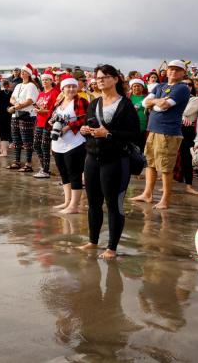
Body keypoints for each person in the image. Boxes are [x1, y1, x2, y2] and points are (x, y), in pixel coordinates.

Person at [78, 65, 140, 259]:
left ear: (115, 79)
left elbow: (134, 134)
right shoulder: (94, 103)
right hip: (92, 157)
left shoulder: (125, 104)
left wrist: (110, 134)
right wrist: (85, 130)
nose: (100, 80)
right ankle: (92, 241)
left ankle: (112, 247)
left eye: (105, 77)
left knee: (114, 204)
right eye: (98, 78)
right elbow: (90, 126)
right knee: (93, 203)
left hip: (116, 160)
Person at [133, 60, 191, 209]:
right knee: (150, 163)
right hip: (153, 129)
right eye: (171, 69)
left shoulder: (182, 88)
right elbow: (145, 103)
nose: (173, 72)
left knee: (165, 167)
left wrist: (155, 102)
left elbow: (164, 106)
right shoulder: (160, 86)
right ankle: (147, 194)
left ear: (183, 72)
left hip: (168, 132)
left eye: (178, 70)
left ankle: (165, 199)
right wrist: (156, 101)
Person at [49, 77, 88, 213]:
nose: (71, 89)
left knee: (75, 174)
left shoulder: (80, 101)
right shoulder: (58, 101)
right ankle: (67, 201)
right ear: (62, 88)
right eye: (68, 86)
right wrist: (52, 122)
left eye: (73, 86)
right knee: (64, 174)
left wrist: (69, 127)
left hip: (75, 143)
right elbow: (51, 116)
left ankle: (74, 206)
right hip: (58, 144)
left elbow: (85, 118)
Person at [7, 65, 40, 171]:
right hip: (16, 114)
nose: (22, 73)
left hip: (26, 114)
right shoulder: (18, 85)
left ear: (29, 74)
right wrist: (15, 104)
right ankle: (17, 161)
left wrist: (19, 106)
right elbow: (12, 98)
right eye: (22, 71)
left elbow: (31, 100)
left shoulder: (31, 85)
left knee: (27, 140)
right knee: (16, 139)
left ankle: (28, 163)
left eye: (25, 72)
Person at [32, 72, 60, 178]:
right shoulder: (41, 93)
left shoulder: (55, 93)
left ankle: (46, 170)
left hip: (48, 123)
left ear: (51, 81)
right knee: (36, 145)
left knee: (45, 146)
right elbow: (40, 107)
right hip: (39, 121)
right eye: (43, 80)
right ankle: (44, 167)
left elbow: (55, 110)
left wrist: (44, 111)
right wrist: (37, 110)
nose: (44, 82)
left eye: (47, 80)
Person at [180, 80, 198, 194]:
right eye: (183, 84)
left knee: (186, 158)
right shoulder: (175, 97)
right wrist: (182, 115)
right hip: (174, 128)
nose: (186, 86)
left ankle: (188, 185)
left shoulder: (196, 98)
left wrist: (181, 114)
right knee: (172, 158)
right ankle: (169, 184)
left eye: (189, 84)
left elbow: (185, 111)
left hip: (187, 130)